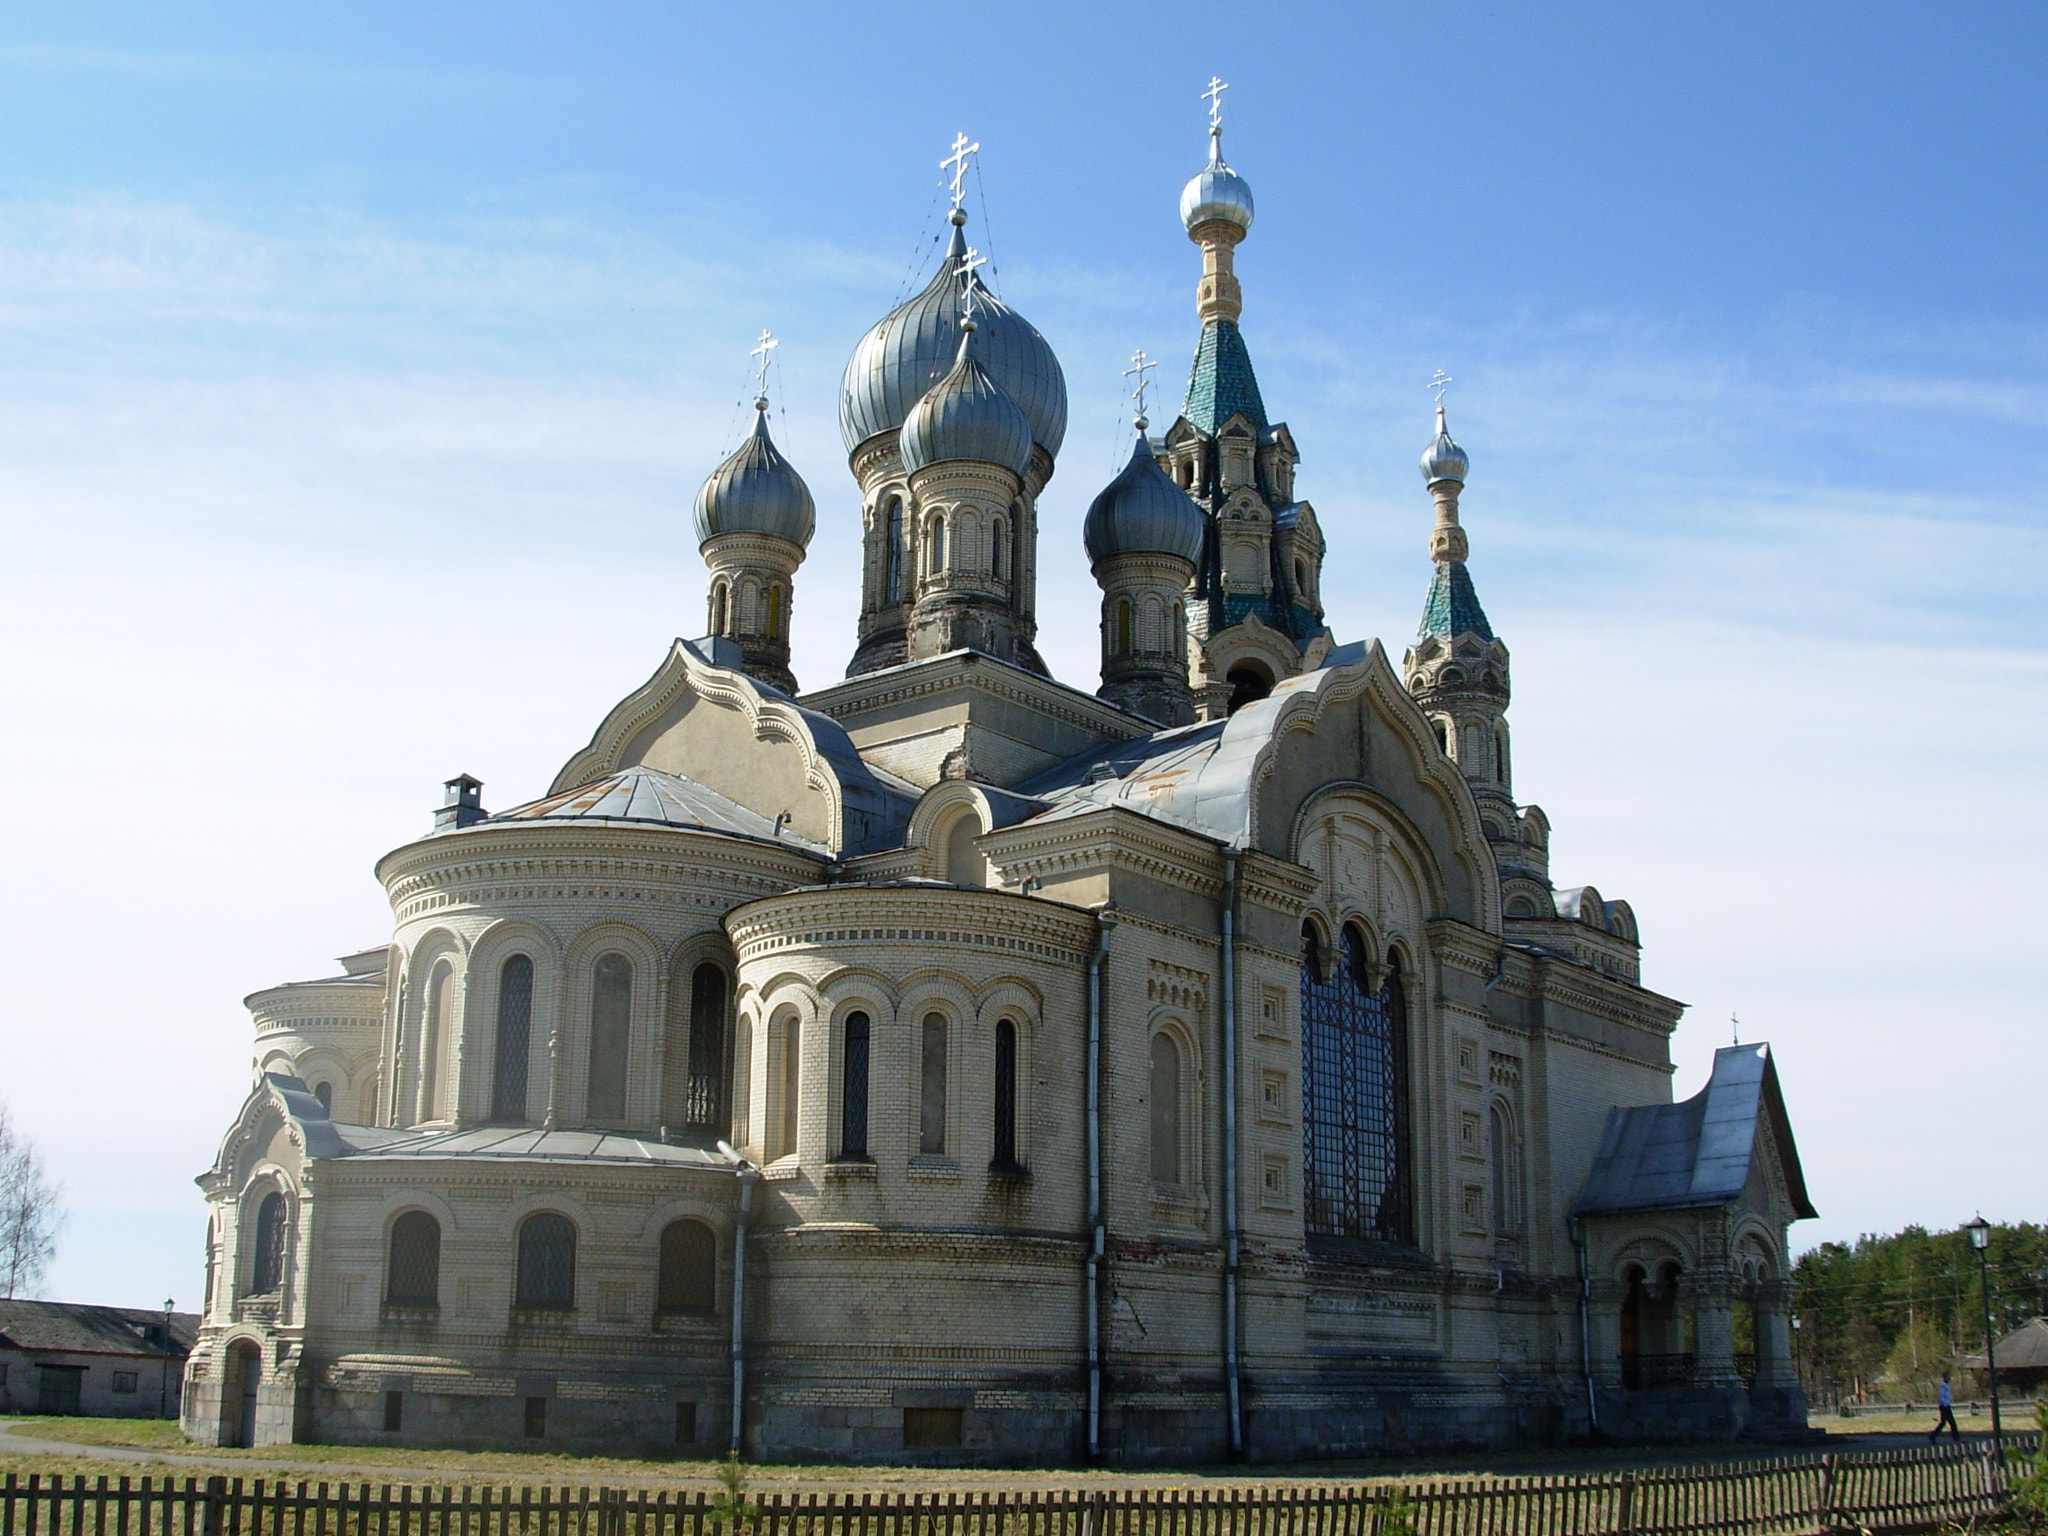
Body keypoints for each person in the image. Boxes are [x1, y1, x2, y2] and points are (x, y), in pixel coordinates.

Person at [1929, 1370, 1961, 1441]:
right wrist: (1946, 1405)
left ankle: (1933, 1436)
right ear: (1944, 1377)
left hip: (1946, 1406)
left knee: (1948, 1423)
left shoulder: (1946, 1386)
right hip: (1944, 1406)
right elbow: (1942, 1397)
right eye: (1948, 1377)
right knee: (1948, 1423)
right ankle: (1933, 1436)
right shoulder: (1943, 1386)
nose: (1949, 1378)